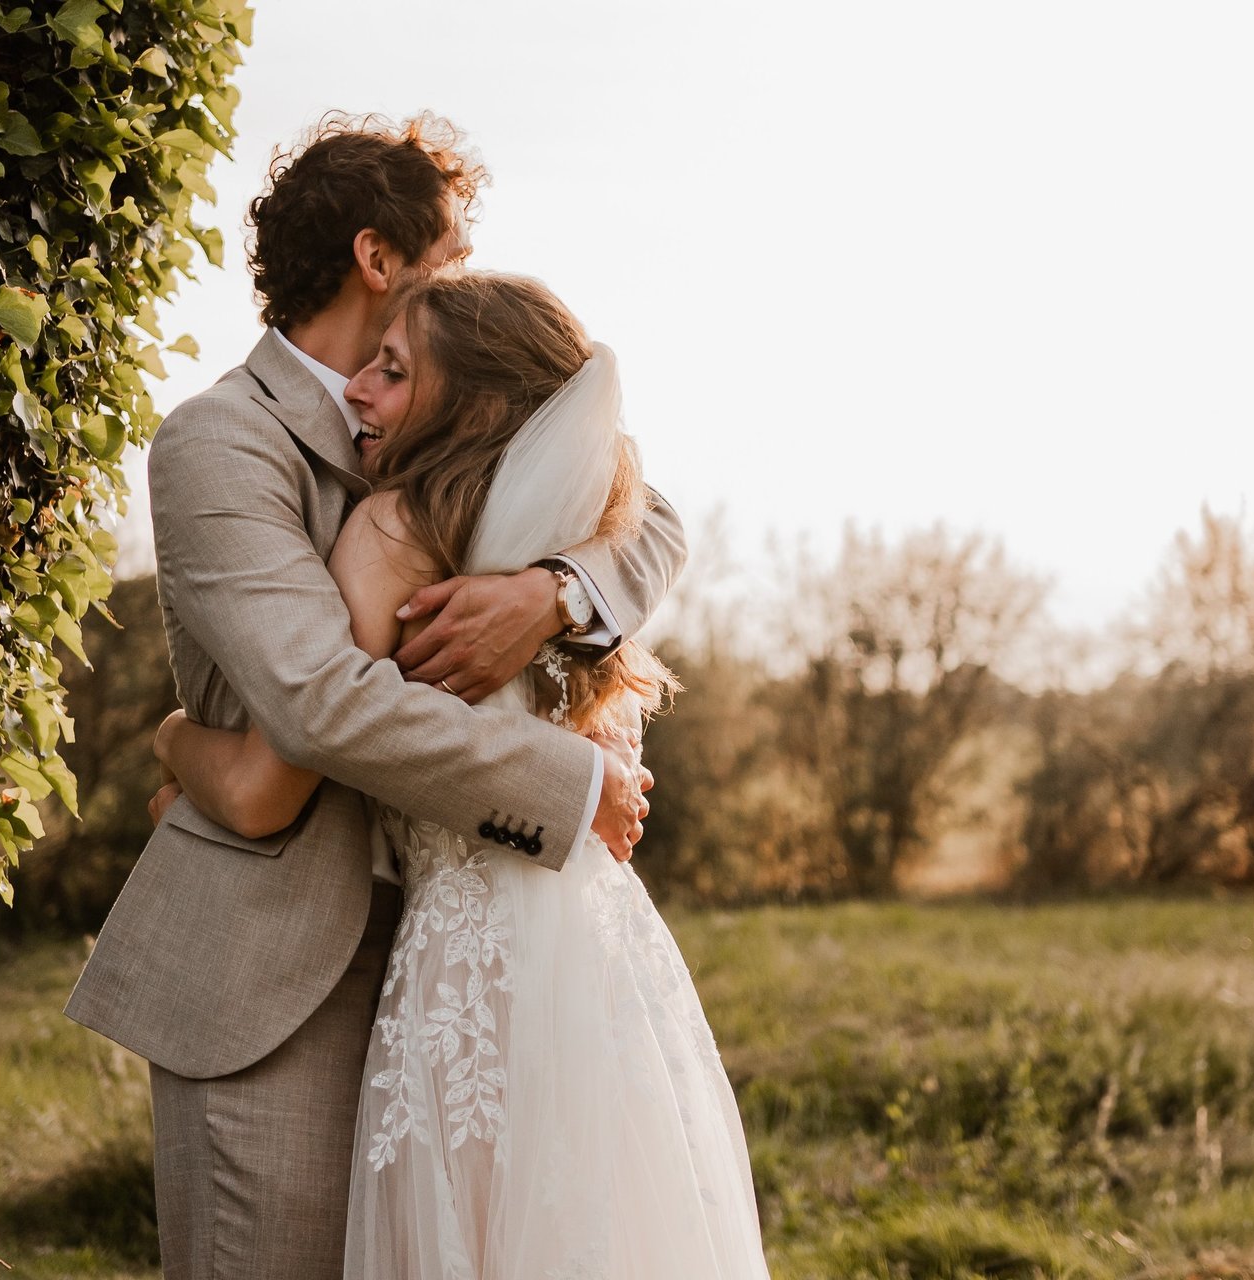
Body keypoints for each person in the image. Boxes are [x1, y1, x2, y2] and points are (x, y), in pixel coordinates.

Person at [64, 114, 687, 1280]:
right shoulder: (219, 442)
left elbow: (652, 518)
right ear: (379, 255)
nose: (472, 272)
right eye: (452, 248)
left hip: (466, 970)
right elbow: (320, 703)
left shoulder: (481, 396)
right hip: (277, 977)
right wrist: (567, 784)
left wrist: (552, 594)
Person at [155, 271, 770, 1278]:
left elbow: (272, 781)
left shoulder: (397, 532)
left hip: (467, 972)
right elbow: (652, 517)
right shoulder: (583, 521)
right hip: (594, 958)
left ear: (472, 406)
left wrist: (176, 739)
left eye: (394, 375)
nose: (361, 390)